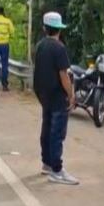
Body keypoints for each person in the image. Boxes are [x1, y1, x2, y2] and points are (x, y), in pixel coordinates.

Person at [33, 12, 78, 185]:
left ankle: (47, 163)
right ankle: (57, 170)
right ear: (59, 29)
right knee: (57, 132)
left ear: (45, 28)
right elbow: (64, 75)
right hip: (57, 95)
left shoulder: (40, 45)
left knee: (47, 126)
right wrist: (71, 94)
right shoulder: (59, 48)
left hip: (43, 93)